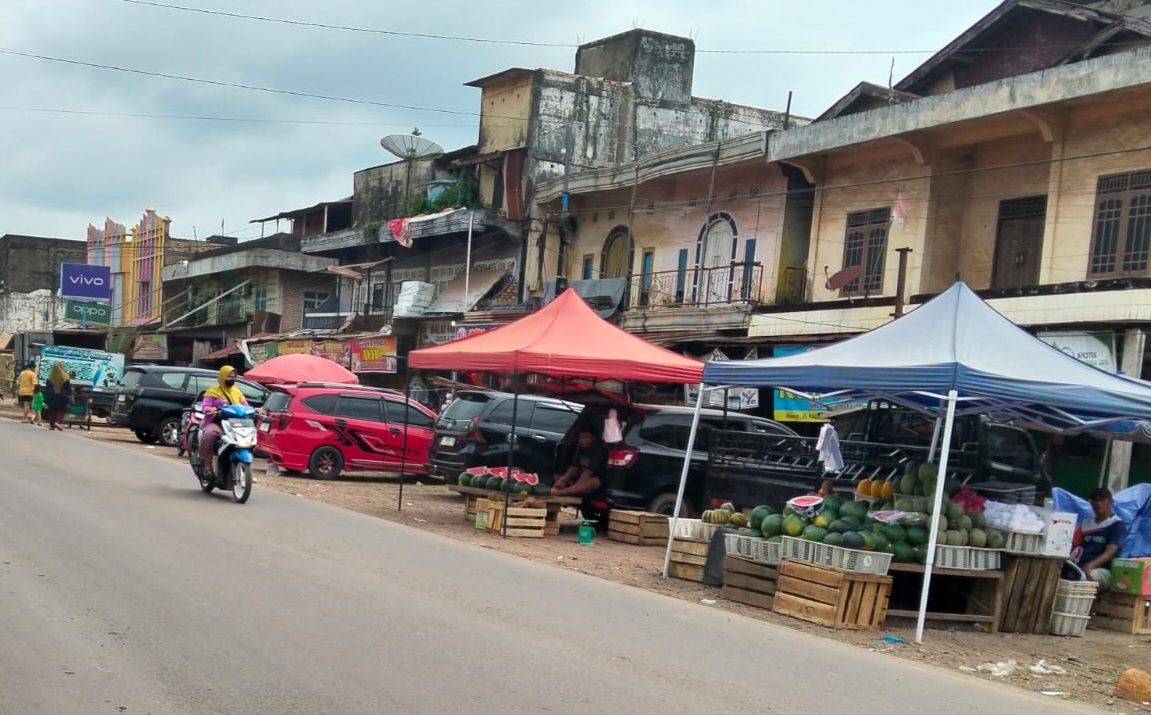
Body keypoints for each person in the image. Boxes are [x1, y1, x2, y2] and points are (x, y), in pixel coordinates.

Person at [198, 366, 259, 480]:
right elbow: (205, 406)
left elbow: (246, 405)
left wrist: (256, 410)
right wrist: (210, 409)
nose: (232, 379)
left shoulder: (237, 391)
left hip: (236, 423)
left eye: (233, 377)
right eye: (229, 376)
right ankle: (207, 466)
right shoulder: (213, 391)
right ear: (222, 377)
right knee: (209, 435)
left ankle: (246, 471)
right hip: (217, 422)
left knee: (249, 437)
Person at [1073, 487, 1126, 589]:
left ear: (1111, 502)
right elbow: (1073, 545)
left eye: (1102, 500)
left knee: (1088, 577)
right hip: (1079, 566)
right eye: (1095, 501)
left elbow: (1110, 553)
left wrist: (1090, 566)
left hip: (1102, 570)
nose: (1098, 504)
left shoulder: (1117, 524)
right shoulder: (1085, 524)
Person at [551, 427, 607, 498]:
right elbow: (574, 467)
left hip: (594, 479)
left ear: (594, 438)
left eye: (587, 438)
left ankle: (560, 492)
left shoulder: (598, 451)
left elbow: (588, 472)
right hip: (581, 475)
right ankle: (563, 490)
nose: (583, 441)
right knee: (559, 476)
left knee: (590, 483)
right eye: (581, 438)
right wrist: (562, 481)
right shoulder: (580, 449)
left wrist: (576, 486)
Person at [42, 362, 72, 432]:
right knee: (61, 410)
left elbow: (47, 387)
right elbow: (68, 388)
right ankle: (57, 422)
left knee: (52, 410)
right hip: (62, 395)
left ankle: (52, 425)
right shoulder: (65, 376)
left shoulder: (50, 377)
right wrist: (69, 396)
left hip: (51, 395)